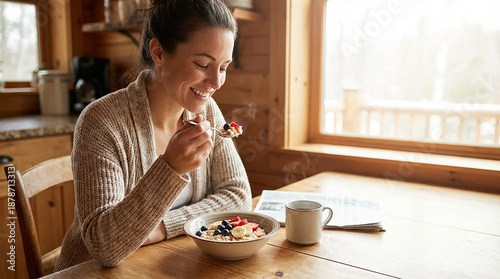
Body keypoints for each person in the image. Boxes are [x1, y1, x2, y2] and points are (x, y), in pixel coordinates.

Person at [55, 0, 251, 271]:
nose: (216, 83)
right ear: (158, 52)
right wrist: (171, 168)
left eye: (223, 67)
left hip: (165, 264)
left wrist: (162, 227)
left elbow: (238, 196)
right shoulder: (101, 122)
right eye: (202, 64)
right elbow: (105, 247)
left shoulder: (207, 113)